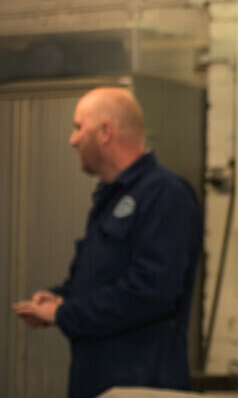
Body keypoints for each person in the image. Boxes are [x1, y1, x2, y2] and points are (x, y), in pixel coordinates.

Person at [11, 87, 202, 398]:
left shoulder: (164, 195)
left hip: (140, 386)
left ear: (105, 132)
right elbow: (97, 283)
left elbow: (151, 291)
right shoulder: (110, 199)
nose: (72, 140)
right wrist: (60, 297)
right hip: (97, 384)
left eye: (78, 128)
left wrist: (65, 314)